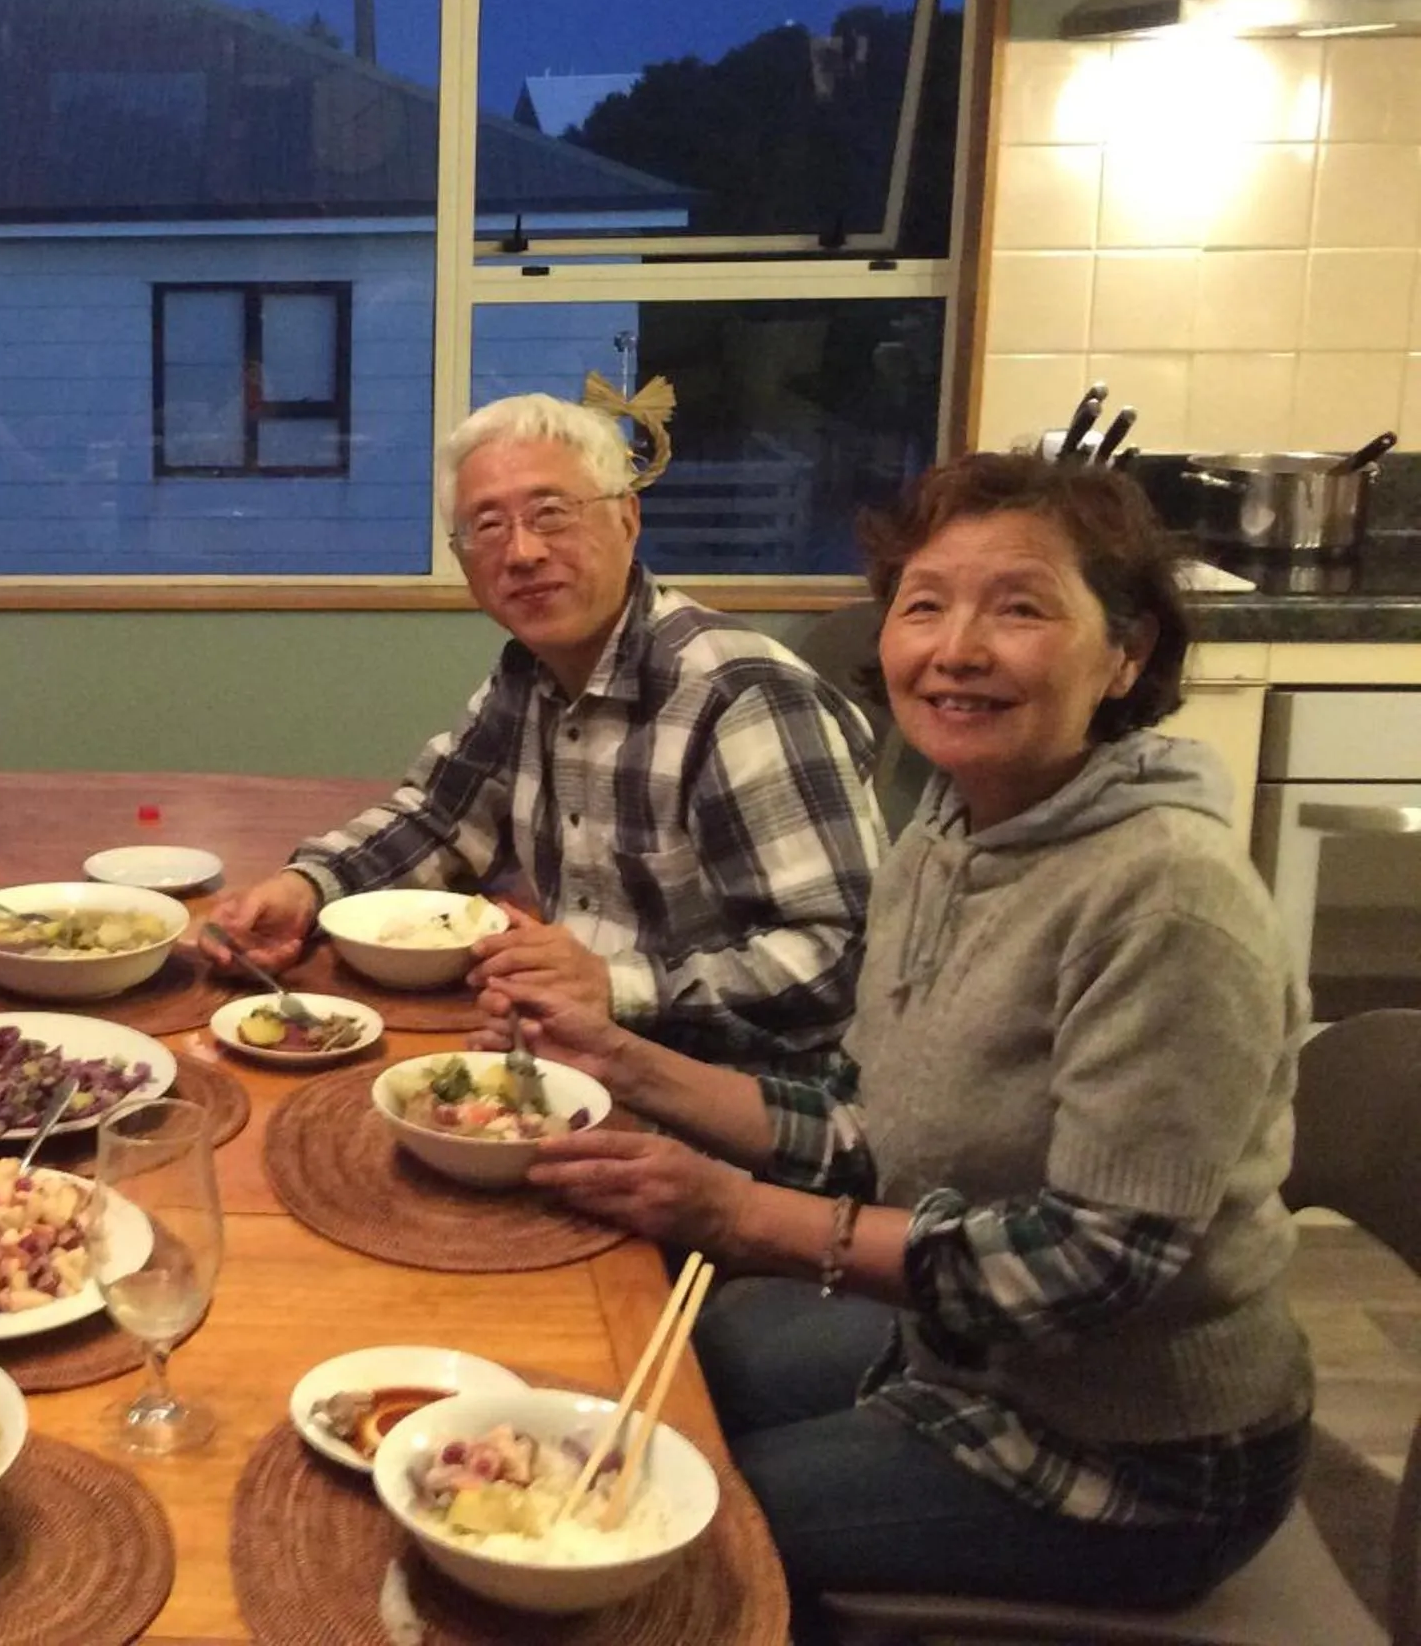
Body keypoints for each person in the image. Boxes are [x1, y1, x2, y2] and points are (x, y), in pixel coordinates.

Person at [512, 451, 1311, 1626]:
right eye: (924, 604)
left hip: (1135, 1456)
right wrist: (619, 1058)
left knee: (627, 1523)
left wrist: (736, 1217)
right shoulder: (950, 827)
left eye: (1022, 607)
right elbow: (865, 1110)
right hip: (960, 1352)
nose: (957, 648)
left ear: (1127, 653)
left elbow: (1091, 1264)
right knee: (668, 1380)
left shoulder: (1166, 901)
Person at [203, 392, 884, 1078]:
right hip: (566, 1055)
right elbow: (439, 819)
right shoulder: (528, 679)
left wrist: (613, 986)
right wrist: (307, 889)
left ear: (629, 517)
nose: (523, 551)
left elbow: (842, 957)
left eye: (551, 514)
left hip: (736, 1100)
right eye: (487, 526)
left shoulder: (739, 695)